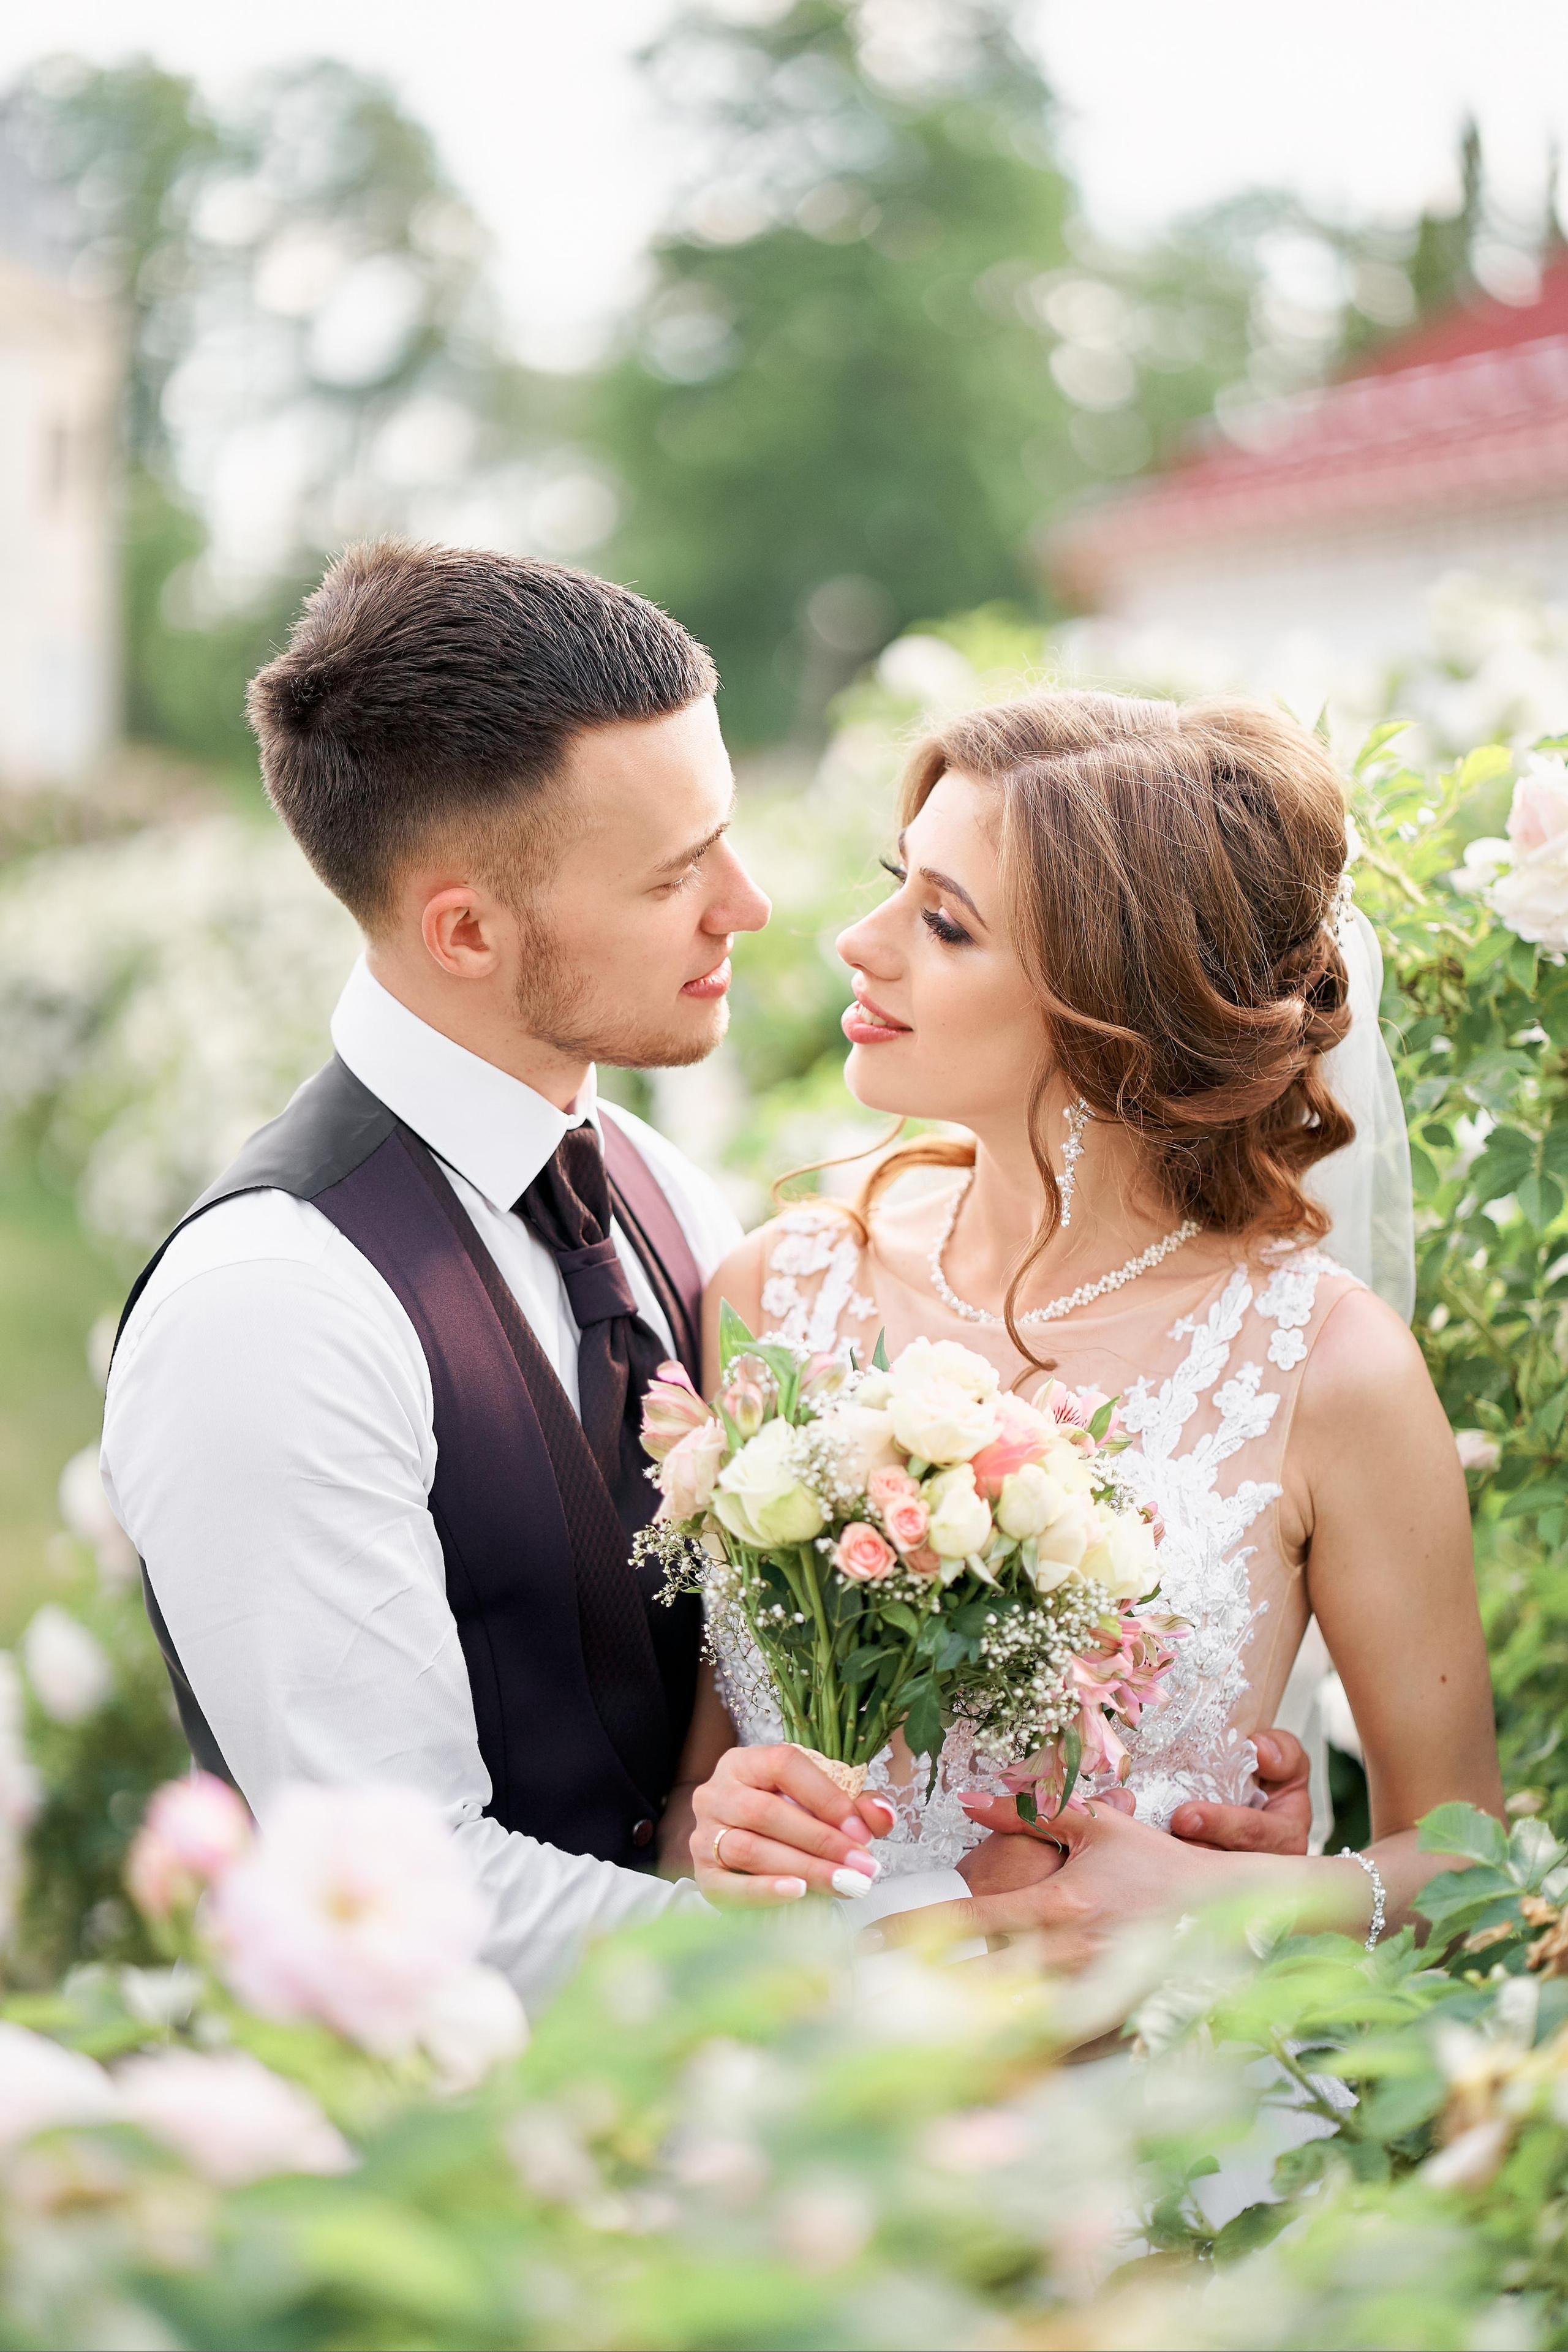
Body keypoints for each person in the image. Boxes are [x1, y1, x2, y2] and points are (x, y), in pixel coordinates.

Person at [682, 688, 1502, 1953]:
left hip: (1158, 2109)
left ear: (1111, 1008)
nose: (860, 939)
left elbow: (1464, 1861)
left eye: (944, 923)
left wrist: (1220, 1903)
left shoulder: (1324, 1371)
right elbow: (698, 1793)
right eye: (894, 882)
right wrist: (728, 1827)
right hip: (808, 2090)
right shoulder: (769, 1293)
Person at [99, 542, 793, 2010]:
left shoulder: (667, 1191)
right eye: (676, 874)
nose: (751, 902)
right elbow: (404, 1899)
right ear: (464, 930)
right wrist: (858, 1976)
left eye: (723, 835)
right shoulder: (273, 1310)